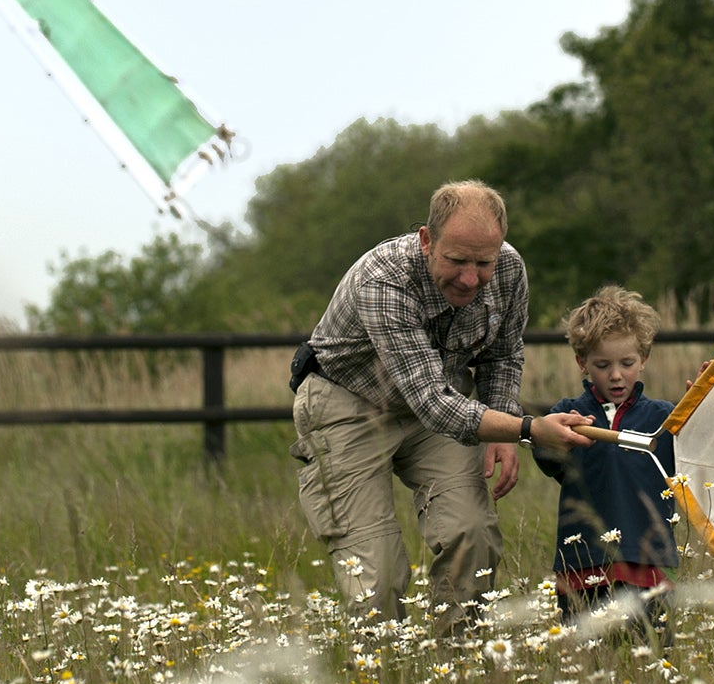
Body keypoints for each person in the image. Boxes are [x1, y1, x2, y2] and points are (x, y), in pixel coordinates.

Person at [291, 180, 590, 626]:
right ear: (426, 240)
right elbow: (433, 403)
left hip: (439, 406)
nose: (471, 278)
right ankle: (383, 677)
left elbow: (502, 355)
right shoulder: (383, 279)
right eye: (456, 260)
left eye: (483, 262)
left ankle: (458, 666)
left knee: (471, 532)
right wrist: (526, 429)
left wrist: (503, 420)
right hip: (348, 406)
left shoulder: (509, 271)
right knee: (376, 574)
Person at [533, 286, 679, 641]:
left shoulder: (665, 420)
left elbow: (703, 456)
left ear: (643, 358)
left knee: (653, 660)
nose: (616, 375)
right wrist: (549, 438)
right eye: (603, 365)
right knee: (588, 667)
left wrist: (704, 401)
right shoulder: (566, 415)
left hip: (645, 565)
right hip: (582, 566)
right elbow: (547, 459)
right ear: (583, 362)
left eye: (626, 363)